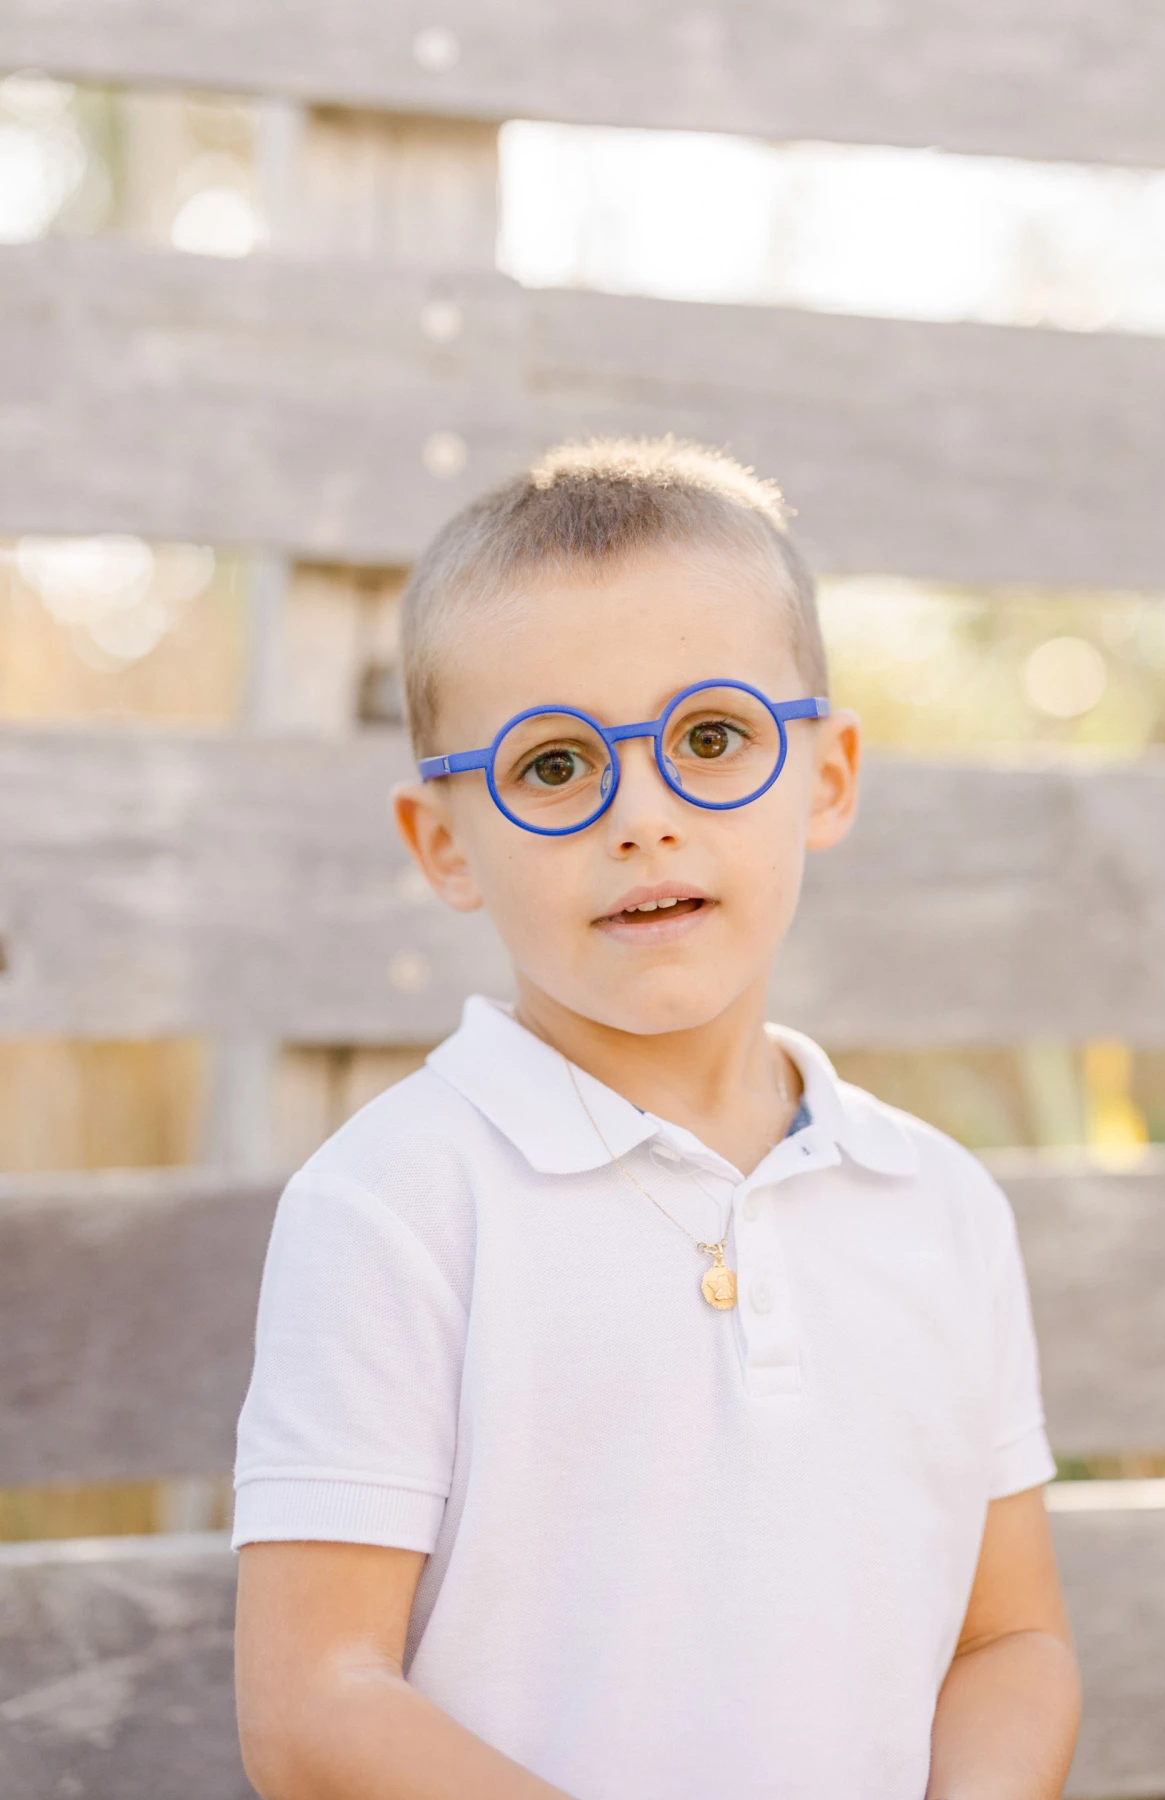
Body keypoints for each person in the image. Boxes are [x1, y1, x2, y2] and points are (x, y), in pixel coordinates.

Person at [232, 437, 1081, 1800]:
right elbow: (315, 1704)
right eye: (555, 764)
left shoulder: (938, 1206)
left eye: (712, 738)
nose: (643, 816)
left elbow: (1010, 1642)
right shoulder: (393, 1207)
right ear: (444, 841)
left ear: (828, 776)